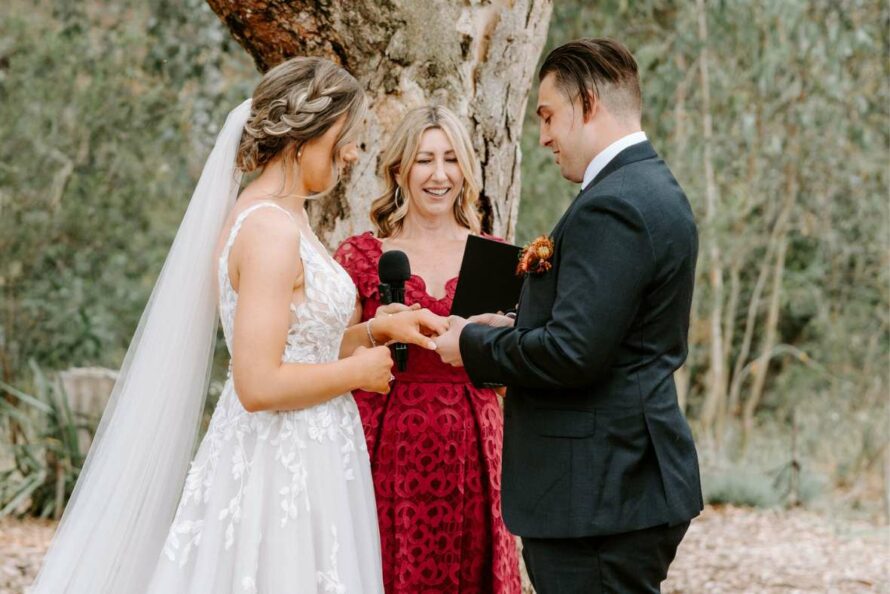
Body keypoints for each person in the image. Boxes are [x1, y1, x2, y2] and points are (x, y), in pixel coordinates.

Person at [30, 57, 448, 594]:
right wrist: (357, 373)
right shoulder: (270, 230)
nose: (350, 153)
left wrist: (374, 333)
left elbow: (299, 344)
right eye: (346, 137)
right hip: (279, 467)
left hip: (310, 452)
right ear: (305, 136)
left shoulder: (286, 215)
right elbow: (257, 383)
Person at [436, 39, 703, 593]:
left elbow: (571, 354)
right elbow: (604, 335)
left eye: (548, 115)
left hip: (600, 496)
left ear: (587, 104)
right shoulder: (650, 186)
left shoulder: (616, 203)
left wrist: (470, 343)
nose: (543, 136)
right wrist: (518, 330)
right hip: (616, 486)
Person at [334, 105, 521, 594]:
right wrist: (377, 329)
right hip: (386, 444)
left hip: (479, 445)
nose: (439, 175)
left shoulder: (498, 256)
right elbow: (329, 352)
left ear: (465, 169)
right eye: (423, 160)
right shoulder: (361, 256)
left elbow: (512, 374)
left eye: (450, 159)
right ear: (399, 169)